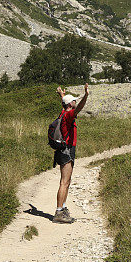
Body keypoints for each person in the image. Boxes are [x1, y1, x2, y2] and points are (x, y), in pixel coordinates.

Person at [53, 83, 89, 223]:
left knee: (66, 181)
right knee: (64, 182)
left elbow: (65, 102)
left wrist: (62, 95)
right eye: (73, 100)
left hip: (64, 150)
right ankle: (58, 212)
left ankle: (63, 208)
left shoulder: (63, 111)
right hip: (67, 150)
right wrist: (86, 95)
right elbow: (79, 108)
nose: (75, 101)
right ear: (70, 104)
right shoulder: (68, 115)